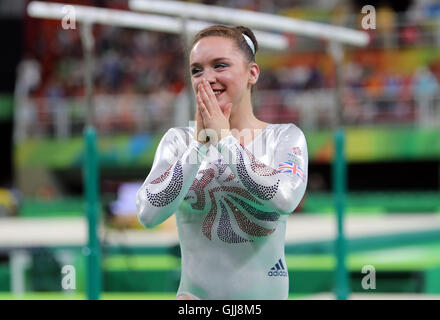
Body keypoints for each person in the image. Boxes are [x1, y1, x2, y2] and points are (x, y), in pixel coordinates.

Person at [136, 25, 308, 300]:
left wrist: (225, 140)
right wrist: (200, 145)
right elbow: (147, 213)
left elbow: (285, 198)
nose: (207, 78)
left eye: (220, 66)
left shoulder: (283, 137)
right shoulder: (179, 142)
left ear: (252, 72)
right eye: (197, 70)